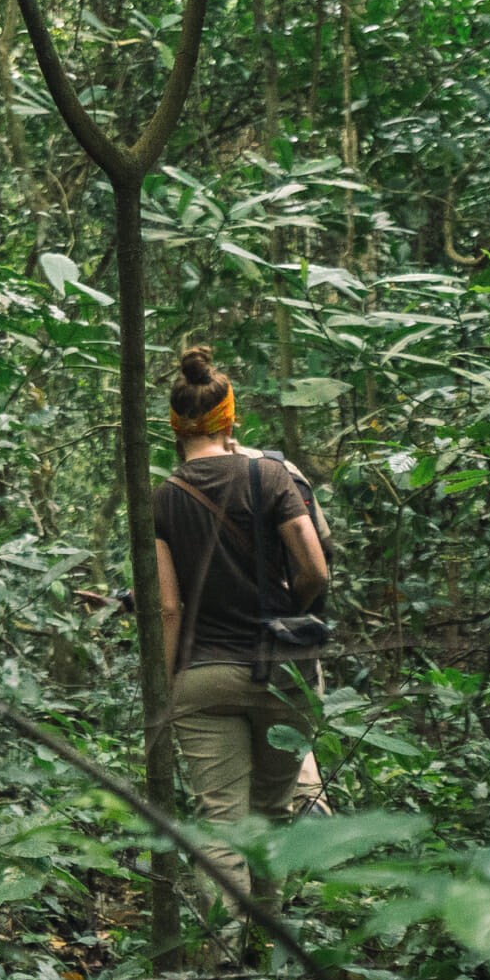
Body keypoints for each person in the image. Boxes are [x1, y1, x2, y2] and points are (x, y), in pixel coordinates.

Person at [154, 345, 330, 924]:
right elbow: (314, 568)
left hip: (204, 676)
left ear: (174, 427)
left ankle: (223, 964)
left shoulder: (162, 498)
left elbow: (169, 607)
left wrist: (169, 681)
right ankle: (267, 946)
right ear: (231, 419)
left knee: (220, 825)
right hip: (282, 672)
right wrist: (287, 613)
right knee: (271, 816)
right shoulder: (269, 474)